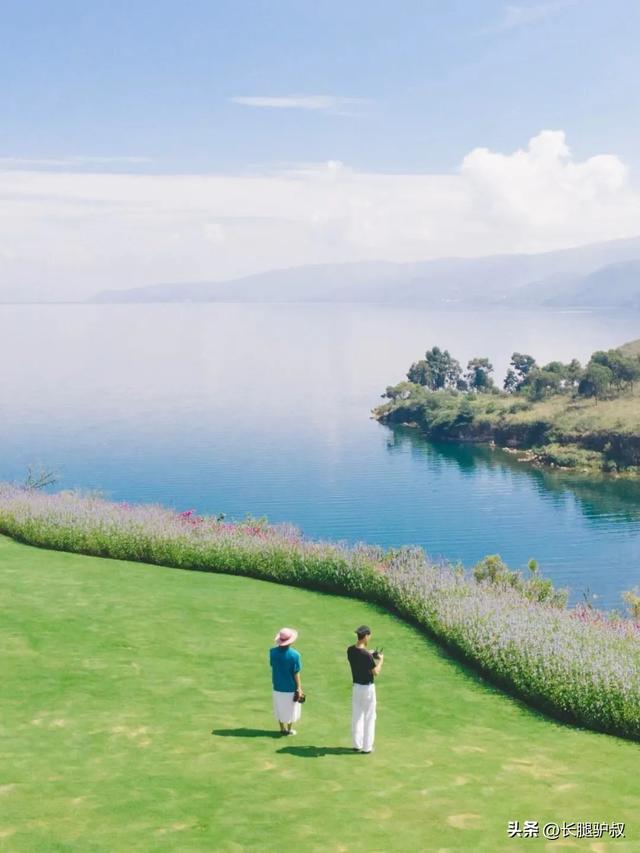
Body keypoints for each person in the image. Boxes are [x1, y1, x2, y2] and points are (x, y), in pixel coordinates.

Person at [347, 625, 383, 753]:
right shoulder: (367, 656)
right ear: (366, 636)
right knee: (369, 716)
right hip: (368, 688)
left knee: (357, 716)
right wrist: (381, 660)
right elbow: (375, 672)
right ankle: (367, 747)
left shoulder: (350, 650)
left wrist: (370, 653)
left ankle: (357, 744)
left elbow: (360, 654)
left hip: (356, 687)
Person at [270, 627, 304, 736]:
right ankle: (289, 730)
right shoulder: (295, 655)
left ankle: (282, 728)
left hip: (277, 685)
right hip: (290, 687)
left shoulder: (272, 652)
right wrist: (299, 687)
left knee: (279, 707)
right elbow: (296, 672)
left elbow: (272, 665)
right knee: (290, 709)